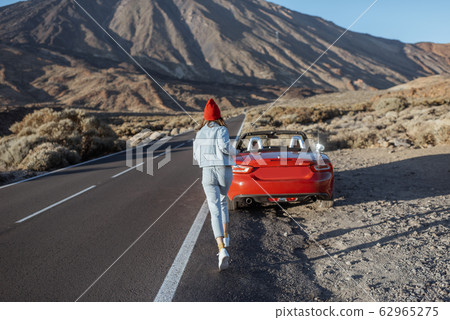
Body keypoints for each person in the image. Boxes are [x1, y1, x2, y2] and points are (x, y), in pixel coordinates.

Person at [193, 98, 238, 271]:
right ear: (218, 116)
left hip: (206, 172)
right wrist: (236, 152)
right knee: (222, 202)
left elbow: (196, 157)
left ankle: (221, 248)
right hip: (223, 170)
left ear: (205, 117)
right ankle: (226, 238)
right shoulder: (222, 130)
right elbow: (225, 148)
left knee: (214, 209)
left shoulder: (199, 133)